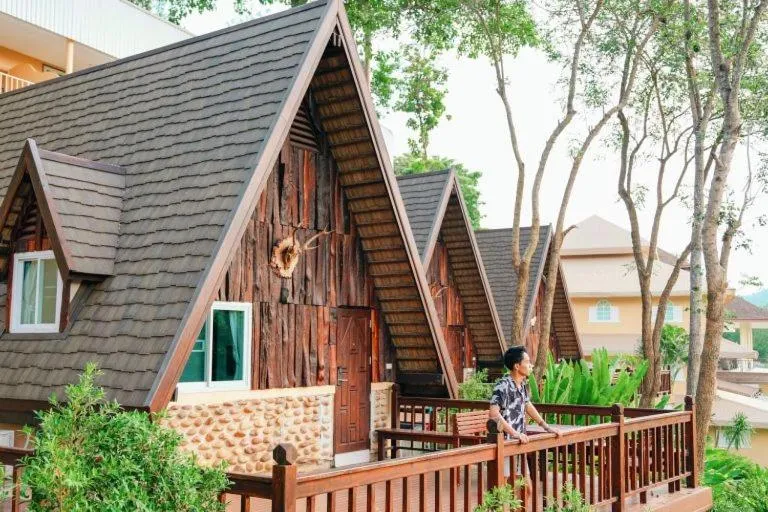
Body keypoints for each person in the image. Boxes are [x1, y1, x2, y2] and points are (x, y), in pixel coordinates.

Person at [489, 345, 561, 498]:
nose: (531, 365)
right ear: (517, 366)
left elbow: (527, 405)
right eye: (527, 362)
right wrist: (515, 434)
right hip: (505, 442)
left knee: (526, 490)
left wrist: (547, 427)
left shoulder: (522, 386)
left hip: (519, 443)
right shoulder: (503, 385)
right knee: (501, 493)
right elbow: (494, 414)